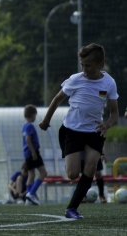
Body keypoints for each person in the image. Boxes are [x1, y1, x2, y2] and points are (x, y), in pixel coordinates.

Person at [39, 43, 119, 219]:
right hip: (72, 130)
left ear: (101, 65)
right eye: (82, 65)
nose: (84, 69)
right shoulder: (75, 79)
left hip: (95, 131)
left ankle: (72, 209)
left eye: (88, 65)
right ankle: (82, 158)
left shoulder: (109, 83)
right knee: (72, 173)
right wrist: (46, 120)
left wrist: (107, 124)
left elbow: (114, 112)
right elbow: (57, 99)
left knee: (91, 169)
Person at [22, 104, 47, 205]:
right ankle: (31, 193)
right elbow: (28, 139)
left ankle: (29, 198)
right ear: (32, 115)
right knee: (43, 173)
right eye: (35, 115)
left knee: (31, 175)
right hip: (33, 152)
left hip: (26, 153)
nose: (35, 118)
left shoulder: (24, 126)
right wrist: (33, 152)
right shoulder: (30, 126)